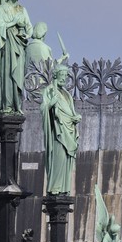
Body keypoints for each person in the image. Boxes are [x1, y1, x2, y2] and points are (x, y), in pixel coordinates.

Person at [0, 0, 32, 114]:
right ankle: (7, 106)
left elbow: (29, 27)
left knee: (18, 76)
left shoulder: (22, 9)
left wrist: (26, 34)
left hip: (19, 46)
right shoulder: (2, 9)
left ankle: (16, 105)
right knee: (7, 75)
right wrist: (13, 23)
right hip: (7, 46)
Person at [41, 61, 80, 195]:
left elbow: (70, 112)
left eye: (66, 76)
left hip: (69, 130)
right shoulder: (50, 90)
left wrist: (75, 118)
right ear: (56, 75)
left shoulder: (67, 95)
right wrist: (50, 104)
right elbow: (43, 108)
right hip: (58, 131)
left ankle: (64, 188)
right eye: (62, 75)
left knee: (66, 161)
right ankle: (55, 188)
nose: (64, 78)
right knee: (59, 158)